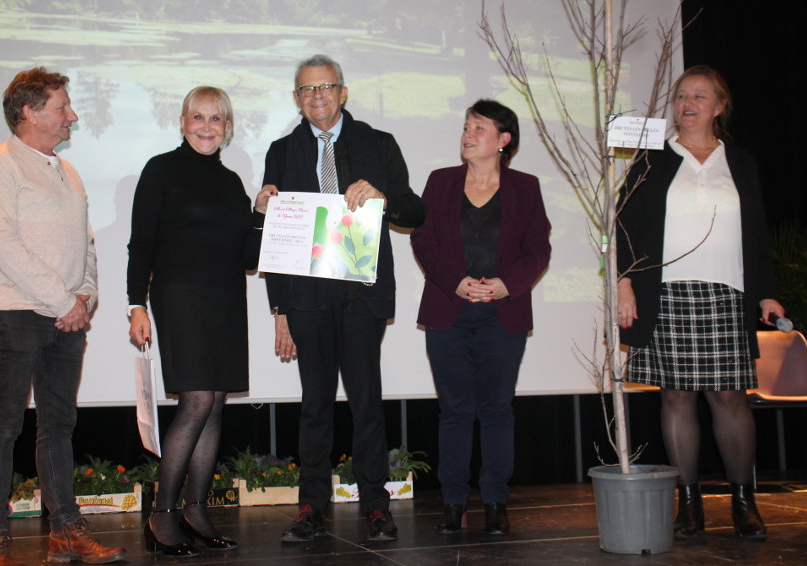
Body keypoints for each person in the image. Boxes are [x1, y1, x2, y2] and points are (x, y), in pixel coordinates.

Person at [617, 65, 785, 541]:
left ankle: (743, 501)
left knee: (730, 397)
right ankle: (688, 505)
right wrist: (625, 283)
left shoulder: (741, 162)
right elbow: (623, 224)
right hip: (665, 291)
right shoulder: (653, 158)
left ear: (719, 106)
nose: (687, 103)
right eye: (680, 96)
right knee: (676, 396)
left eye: (698, 96)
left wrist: (767, 291)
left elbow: (756, 235)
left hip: (725, 292)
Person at [262, 54, 424, 542]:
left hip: (361, 297)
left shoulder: (378, 143)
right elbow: (276, 238)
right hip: (306, 299)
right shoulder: (281, 150)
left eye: (326, 87)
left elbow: (414, 212)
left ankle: (376, 506)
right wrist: (279, 309)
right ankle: (310, 507)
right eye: (307, 90)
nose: (317, 96)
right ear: (296, 99)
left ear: (343, 92)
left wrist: (383, 197)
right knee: (314, 406)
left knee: (366, 404)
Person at [0, 67, 126, 566]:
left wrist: (85, 295)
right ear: (29, 112)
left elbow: (87, 243)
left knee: (58, 425)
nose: (71, 115)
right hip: (15, 313)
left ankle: (66, 533)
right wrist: (65, 303)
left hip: (67, 317)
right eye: (61, 107)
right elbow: (3, 246)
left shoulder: (67, 169)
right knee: (4, 424)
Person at [127, 86, 270, 557]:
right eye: (198, 118)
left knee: (216, 403)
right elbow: (140, 244)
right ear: (183, 122)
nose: (207, 127)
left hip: (226, 299)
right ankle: (162, 513)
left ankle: (196, 509)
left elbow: (248, 258)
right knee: (196, 401)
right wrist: (136, 305)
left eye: (217, 119)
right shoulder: (160, 170)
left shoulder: (231, 183)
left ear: (227, 127)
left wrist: (260, 215)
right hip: (179, 296)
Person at [411, 100, 551, 535]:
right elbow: (424, 239)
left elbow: (538, 249)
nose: (467, 135)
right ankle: (453, 502)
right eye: (466, 128)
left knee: (495, 410)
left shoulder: (526, 187)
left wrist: (509, 283)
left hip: (501, 315)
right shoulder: (440, 182)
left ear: (503, 140)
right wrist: (454, 281)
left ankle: (495, 502)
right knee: (454, 411)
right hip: (448, 312)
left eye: (478, 128)